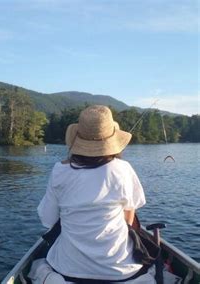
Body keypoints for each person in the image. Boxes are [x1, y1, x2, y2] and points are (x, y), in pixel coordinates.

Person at [29, 105, 154, 283]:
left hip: (69, 270)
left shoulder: (60, 171)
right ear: (112, 140)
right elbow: (129, 221)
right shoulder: (123, 169)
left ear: (77, 139)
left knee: (41, 263)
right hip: (122, 271)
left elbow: (48, 220)